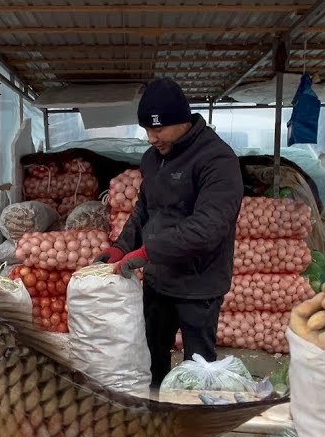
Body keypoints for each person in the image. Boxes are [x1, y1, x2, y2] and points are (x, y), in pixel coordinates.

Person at [95, 77, 244, 387]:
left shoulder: (217, 160)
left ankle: (194, 425)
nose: (151, 138)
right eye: (147, 130)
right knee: (151, 358)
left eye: (158, 129)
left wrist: (148, 252)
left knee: (198, 368)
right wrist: (122, 246)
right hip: (159, 281)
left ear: (182, 121)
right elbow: (144, 209)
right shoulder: (153, 160)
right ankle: (154, 419)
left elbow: (208, 227)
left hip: (199, 284)